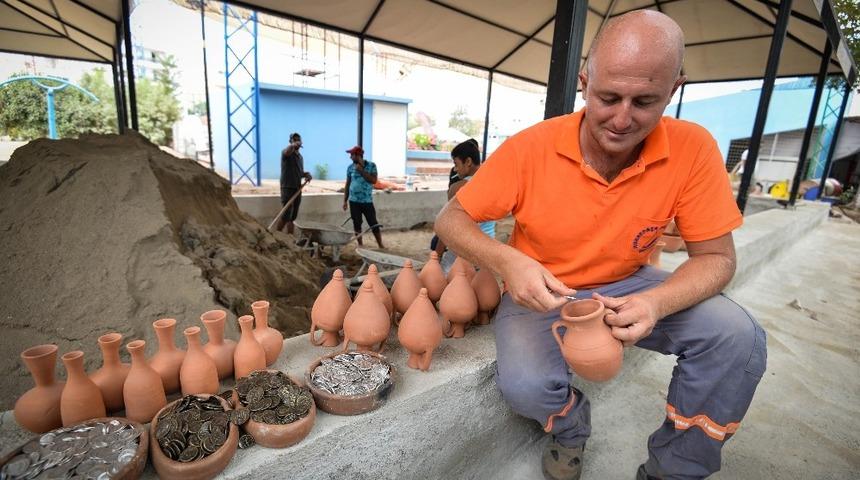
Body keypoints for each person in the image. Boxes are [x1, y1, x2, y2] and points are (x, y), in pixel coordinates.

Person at [435, 10, 766, 480]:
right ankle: (570, 427)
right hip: (543, 288)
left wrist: (655, 303)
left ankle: (674, 469)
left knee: (738, 337)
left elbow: (716, 258)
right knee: (526, 386)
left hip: (631, 285)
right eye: (608, 97)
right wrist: (508, 262)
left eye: (645, 101)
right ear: (584, 82)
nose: (621, 119)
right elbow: (451, 218)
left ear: (674, 91)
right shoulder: (532, 148)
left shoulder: (693, 149)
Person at [434, 139, 495, 268]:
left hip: (464, 250)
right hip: (488, 251)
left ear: (468, 162)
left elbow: (448, 226)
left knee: (448, 279)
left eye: (456, 164)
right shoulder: (493, 183)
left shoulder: (459, 187)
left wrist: (437, 256)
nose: (455, 169)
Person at [343, 145, 385, 248]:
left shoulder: (371, 166)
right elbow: (348, 184)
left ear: (358, 155)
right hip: (353, 201)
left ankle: (380, 244)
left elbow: (374, 180)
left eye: (352, 155)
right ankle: (360, 244)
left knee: (373, 223)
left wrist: (361, 171)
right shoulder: (350, 168)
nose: (350, 157)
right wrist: (345, 200)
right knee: (356, 223)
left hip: (367, 201)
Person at [275, 132, 311, 234]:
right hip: (287, 187)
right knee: (286, 214)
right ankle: (277, 234)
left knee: (293, 216)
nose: (297, 142)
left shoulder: (300, 157)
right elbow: (287, 152)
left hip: (297, 188)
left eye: (298, 140)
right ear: (290, 141)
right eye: (294, 140)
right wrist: (292, 145)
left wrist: (306, 175)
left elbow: (299, 173)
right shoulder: (286, 153)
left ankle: (290, 237)